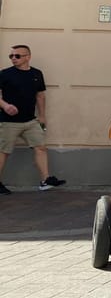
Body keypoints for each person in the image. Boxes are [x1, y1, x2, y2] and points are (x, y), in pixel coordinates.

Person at [0, 45, 66, 195]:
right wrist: (5, 106)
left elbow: (40, 96)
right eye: (11, 56)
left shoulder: (36, 74)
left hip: (31, 121)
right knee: (3, 151)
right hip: (8, 121)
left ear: (27, 57)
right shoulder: (5, 74)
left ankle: (45, 180)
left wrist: (42, 116)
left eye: (17, 56)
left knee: (40, 147)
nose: (13, 59)